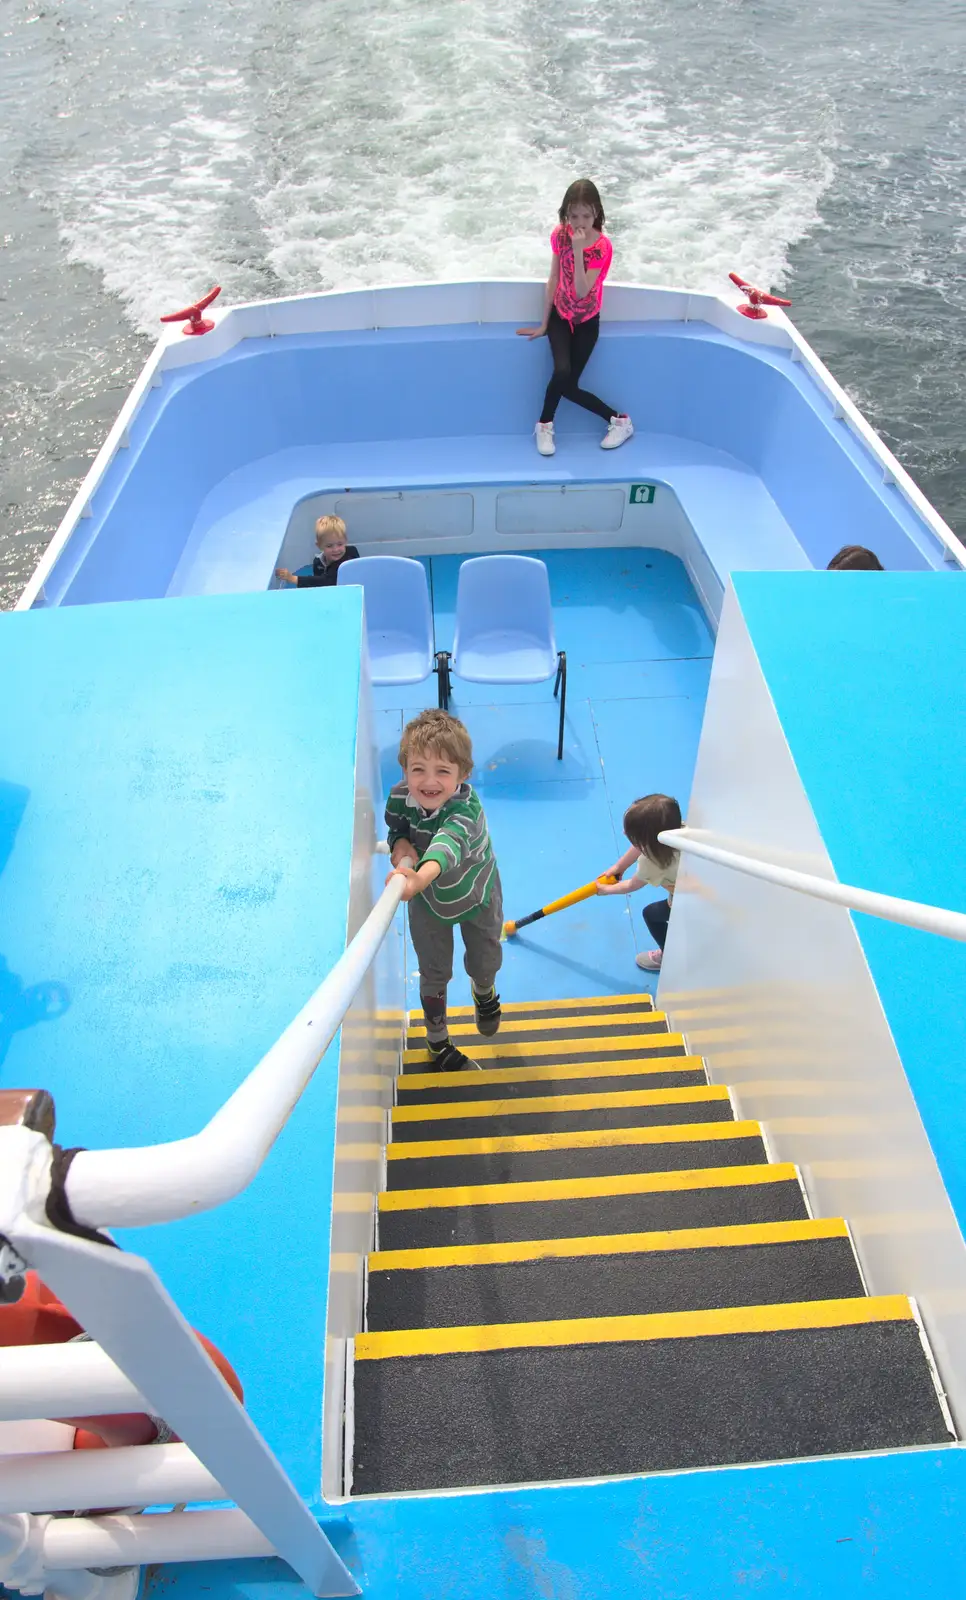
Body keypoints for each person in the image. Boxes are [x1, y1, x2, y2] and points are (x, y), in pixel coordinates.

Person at [385, 710, 502, 1071]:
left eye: (443, 771)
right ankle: (437, 1040)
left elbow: (445, 847)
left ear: (463, 775)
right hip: (429, 903)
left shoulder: (466, 809)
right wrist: (401, 848)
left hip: (475, 891)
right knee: (433, 971)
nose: (429, 781)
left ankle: (484, 991)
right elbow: (397, 828)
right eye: (418, 769)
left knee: (485, 960)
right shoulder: (400, 796)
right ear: (405, 769)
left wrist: (417, 878)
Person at [516, 178, 633, 458]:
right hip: (560, 315)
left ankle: (620, 421)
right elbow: (554, 278)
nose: (579, 222)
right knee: (562, 372)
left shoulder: (602, 248)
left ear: (597, 214)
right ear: (565, 213)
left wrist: (579, 249)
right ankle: (544, 425)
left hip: (586, 322)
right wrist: (545, 322)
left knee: (568, 385)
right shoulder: (559, 235)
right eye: (574, 215)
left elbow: (582, 292)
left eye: (586, 215)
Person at [597, 793, 682, 973]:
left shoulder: (653, 862)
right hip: (703, 881)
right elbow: (640, 845)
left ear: (646, 840)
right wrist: (619, 867)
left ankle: (670, 957)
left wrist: (604, 889)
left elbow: (631, 885)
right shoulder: (678, 831)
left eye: (630, 834)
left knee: (651, 914)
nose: (624, 833)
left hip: (687, 897)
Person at [275, 515, 359, 587]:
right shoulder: (318, 563)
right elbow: (319, 585)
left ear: (346, 541)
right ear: (319, 546)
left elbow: (327, 581)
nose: (336, 549)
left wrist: (293, 579)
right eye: (329, 546)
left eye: (340, 544)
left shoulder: (350, 555)